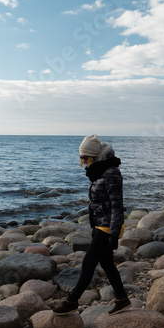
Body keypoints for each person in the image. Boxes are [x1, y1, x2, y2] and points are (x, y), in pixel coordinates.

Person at [53, 135, 132, 315]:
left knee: (89, 262)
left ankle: (72, 300)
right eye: (81, 157)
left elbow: (117, 204)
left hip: (109, 225)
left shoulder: (111, 173)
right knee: (107, 263)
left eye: (85, 157)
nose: (82, 161)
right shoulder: (99, 171)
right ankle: (122, 299)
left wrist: (113, 234)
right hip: (100, 224)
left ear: (95, 156)